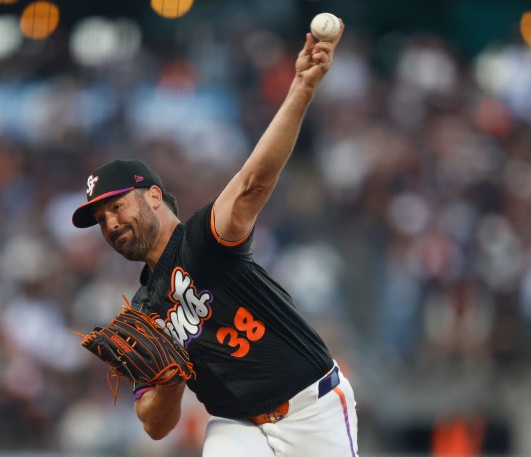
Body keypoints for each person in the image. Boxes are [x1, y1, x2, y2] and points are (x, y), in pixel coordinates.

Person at [72, 22, 358, 457]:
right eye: (100, 218)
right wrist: (169, 380)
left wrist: (302, 86)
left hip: (310, 408)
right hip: (237, 427)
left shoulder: (200, 241)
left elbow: (253, 183)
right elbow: (153, 426)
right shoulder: (145, 311)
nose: (109, 223)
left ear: (153, 196)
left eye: (116, 207)